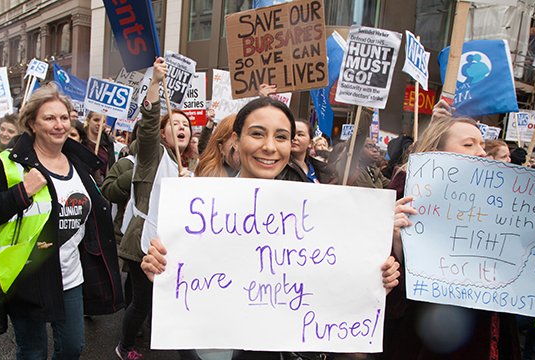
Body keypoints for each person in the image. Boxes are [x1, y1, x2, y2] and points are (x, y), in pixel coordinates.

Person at [141, 96, 403, 360]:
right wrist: (162, 268)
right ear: (236, 138)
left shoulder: (315, 210)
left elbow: (329, 282)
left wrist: (371, 279)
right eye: (257, 134)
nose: (269, 147)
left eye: (280, 137)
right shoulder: (202, 210)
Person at [0, 84, 123, 359]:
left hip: (70, 276)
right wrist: (21, 192)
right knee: (33, 351)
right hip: (27, 276)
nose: (59, 125)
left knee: (73, 346)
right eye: (49, 118)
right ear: (32, 123)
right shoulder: (10, 164)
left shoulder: (79, 164)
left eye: (64, 117)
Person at [383, 116, 521, 360]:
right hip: (425, 338)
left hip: (483, 331)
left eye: (482, 145)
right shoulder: (405, 199)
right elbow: (387, 292)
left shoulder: (498, 202)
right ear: (437, 151)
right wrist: (396, 243)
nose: (480, 152)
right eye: (469, 145)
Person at [116, 57, 194, 360]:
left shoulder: (190, 165)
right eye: (174, 123)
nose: (181, 127)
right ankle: (125, 345)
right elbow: (147, 125)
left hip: (175, 243)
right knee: (143, 301)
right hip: (145, 241)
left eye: (186, 125)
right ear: (163, 134)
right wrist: (155, 84)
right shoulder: (154, 156)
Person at [289, 119, 332, 183]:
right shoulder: (278, 168)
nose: (294, 138)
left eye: (300, 134)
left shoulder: (320, 168)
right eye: (291, 134)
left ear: (310, 143)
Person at [82, 111, 115, 183]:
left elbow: (111, 166)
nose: (99, 124)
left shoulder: (108, 143)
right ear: (88, 120)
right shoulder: (81, 141)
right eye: (96, 120)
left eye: (103, 122)